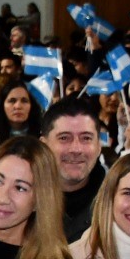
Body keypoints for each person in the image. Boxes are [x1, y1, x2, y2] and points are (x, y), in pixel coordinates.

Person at [41, 98, 108, 241]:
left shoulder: (117, 199)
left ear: (99, 146)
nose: (76, 149)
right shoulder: (23, 197)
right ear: (44, 145)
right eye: (64, 138)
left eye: (86, 138)